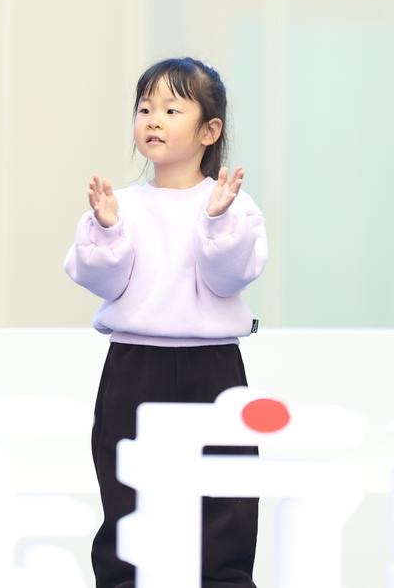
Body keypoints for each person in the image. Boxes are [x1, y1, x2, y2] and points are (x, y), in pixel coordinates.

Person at [66, 56, 266, 588]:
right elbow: (100, 279)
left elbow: (230, 277)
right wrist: (108, 230)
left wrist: (217, 221)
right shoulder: (121, 205)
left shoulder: (232, 204)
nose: (153, 119)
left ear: (209, 131)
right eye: (145, 109)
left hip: (213, 368)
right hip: (134, 366)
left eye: (172, 109)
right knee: (127, 495)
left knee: (225, 499)